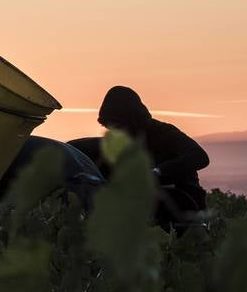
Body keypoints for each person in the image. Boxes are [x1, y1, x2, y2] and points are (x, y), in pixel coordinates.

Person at [69, 85, 210, 223]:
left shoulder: (164, 133)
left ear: (131, 119)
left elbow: (200, 157)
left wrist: (157, 172)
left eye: (117, 126)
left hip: (184, 205)